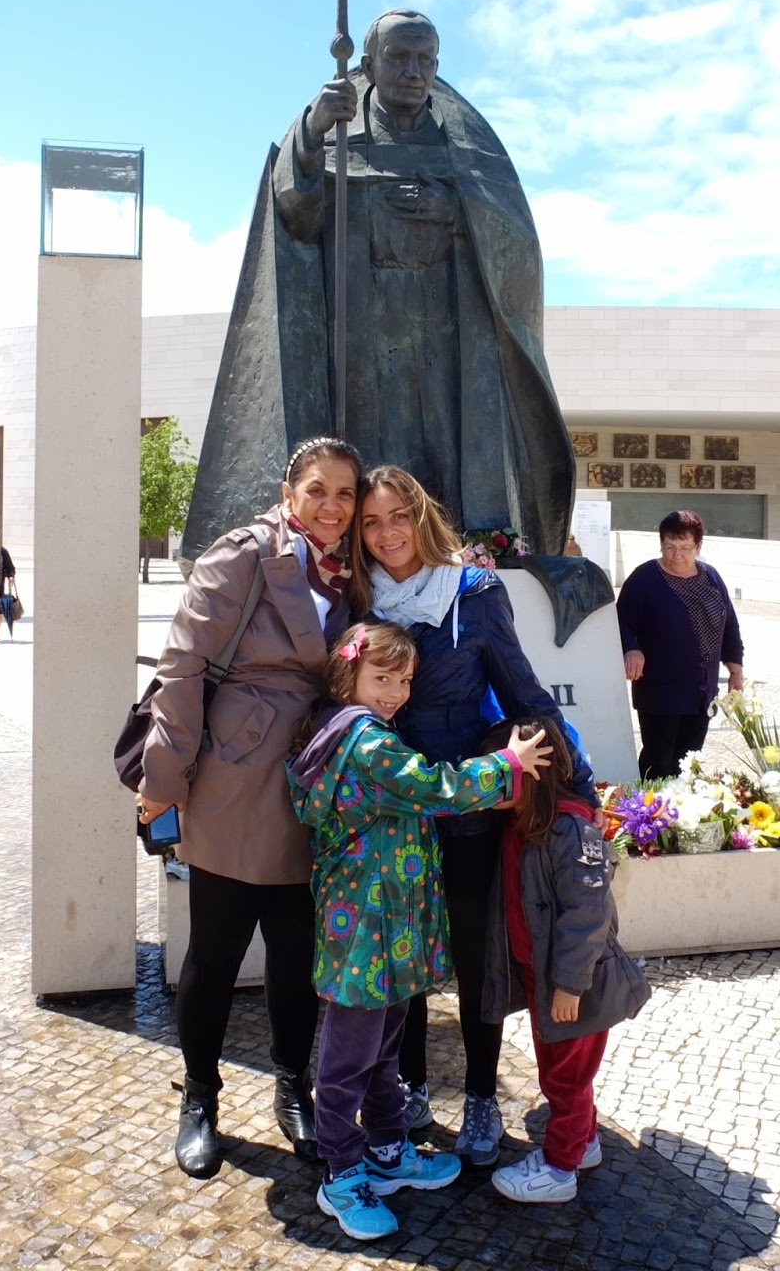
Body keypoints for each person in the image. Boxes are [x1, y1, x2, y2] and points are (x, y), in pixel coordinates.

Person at [182, 8, 575, 563]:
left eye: (426, 59)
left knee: (446, 457)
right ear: (368, 64)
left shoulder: (466, 146)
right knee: (371, 455)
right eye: (399, 58)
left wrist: (458, 212)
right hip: (363, 338)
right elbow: (296, 216)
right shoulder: (337, 133)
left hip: (449, 339)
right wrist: (312, 134)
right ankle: (366, 560)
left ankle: (460, 558)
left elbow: (517, 241)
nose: (414, 71)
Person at [349, 464, 600, 1167]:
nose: (387, 531)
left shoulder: (475, 592)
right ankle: (412, 1087)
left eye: (398, 515)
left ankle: (484, 1097)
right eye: (372, 522)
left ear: (421, 516)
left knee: (473, 958)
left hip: (470, 810)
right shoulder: (363, 601)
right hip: (394, 815)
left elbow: (524, 691)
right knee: (405, 960)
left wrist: (577, 782)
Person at [136, 436, 362, 1180]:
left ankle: (292, 1085)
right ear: (288, 490)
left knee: (298, 956)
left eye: (344, 494)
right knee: (216, 951)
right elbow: (182, 664)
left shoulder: (354, 568)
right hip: (235, 776)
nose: (332, 507)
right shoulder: (244, 553)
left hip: (312, 780)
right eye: (318, 490)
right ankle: (200, 1095)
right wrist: (164, 777)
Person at [287, 621, 553, 1240]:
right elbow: (437, 788)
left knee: (383, 1050)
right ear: (347, 675)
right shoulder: (369, 744)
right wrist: (506, 763)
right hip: (364, 931)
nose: (396, 692)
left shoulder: (366, 731)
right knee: (349, 1057)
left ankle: (384, 1150)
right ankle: (341, 1172)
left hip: (388, 928)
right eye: (382, 678)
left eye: (404, 681)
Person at [482, 718, 651, 1204]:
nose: (486, 785)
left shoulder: (571, 831)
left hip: (575, 985)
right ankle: (583, 1142)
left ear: (532, 775)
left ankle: (559, 1170)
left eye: (498, 775)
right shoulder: (524, 823)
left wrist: (569, 986)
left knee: (566, 1077)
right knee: (563, 1071)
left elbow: (588, 914)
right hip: (548, 979)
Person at [616, 510, 745, 781]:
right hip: (660, 690)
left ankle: (680, 817)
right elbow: (620, 622)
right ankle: (647, 816)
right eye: (670, 547)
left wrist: (735, 670)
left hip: (701, 692)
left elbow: (729, 625)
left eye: (685, 548)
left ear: (699, 546)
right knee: (658, 760)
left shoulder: (711, 577)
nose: (677, 555)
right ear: (661, 544)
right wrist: (631, 648)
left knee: (689, 763)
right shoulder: (645, 579)